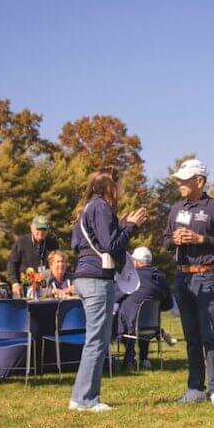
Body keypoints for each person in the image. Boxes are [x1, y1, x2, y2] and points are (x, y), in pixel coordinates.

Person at [68, 168, 147, 412]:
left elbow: (78, 243)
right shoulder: (100, 207)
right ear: (110, 187)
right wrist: (130, 227)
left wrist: (121, 224)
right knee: (97, 340)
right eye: (119, 186)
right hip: (96, 279)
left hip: (84, 276)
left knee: (95, 339)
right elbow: (111, 244)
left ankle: (80, 397)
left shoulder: (86, 209)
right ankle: (86, 399)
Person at [162, 158, 214, 408]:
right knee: (191, 336)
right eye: (179, 180)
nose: (180, 184)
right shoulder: (175, 208)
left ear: (199, 181)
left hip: (205, 275)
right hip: (182, 276)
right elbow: (164, 242)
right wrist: (174, 239)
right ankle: (195, 388)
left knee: (208, 334)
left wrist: (201, 238)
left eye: (184, 180)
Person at [114, 247, 174, 370]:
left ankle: (130, 358)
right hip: (152, 326)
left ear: (135, 262)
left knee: (129, 316)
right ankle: (143, 359)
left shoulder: (131, 276)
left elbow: (114, 295)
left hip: (130, 326)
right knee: (139, 316)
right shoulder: (161, 277)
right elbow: (168, 304)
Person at [7, 215, 59, 298]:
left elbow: (57, 265)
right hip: (24, 287)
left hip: (46, 287)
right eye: (38, 229)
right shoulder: (21, 242)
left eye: (44, 229)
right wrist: (14, 283)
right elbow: (12, 264)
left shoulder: (53, 243)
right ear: (31, 228)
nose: (41, 232)